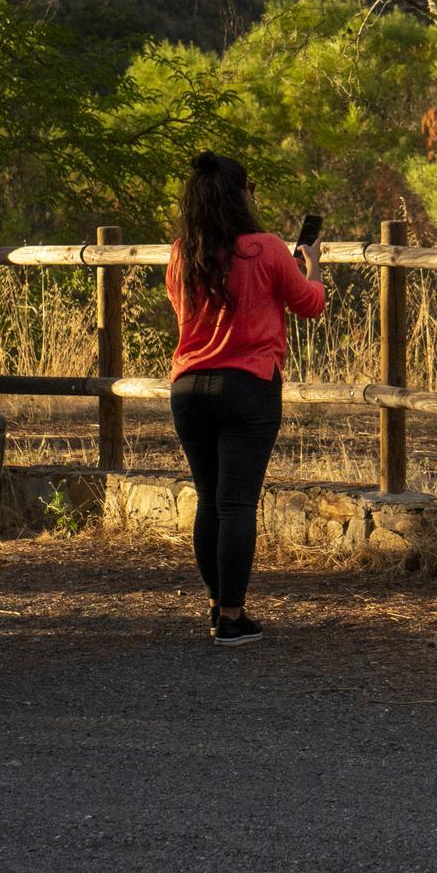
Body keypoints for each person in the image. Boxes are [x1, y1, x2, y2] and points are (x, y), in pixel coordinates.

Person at [166, 152, 325, 646]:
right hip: (248, 385)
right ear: (241, 196)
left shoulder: (181, 253)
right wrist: (313, 265)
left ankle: (217, 606)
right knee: (237, 503)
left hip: (188, 387)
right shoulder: (268, 249)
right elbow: (310, 305)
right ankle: (233, 618)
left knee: (209, 501)